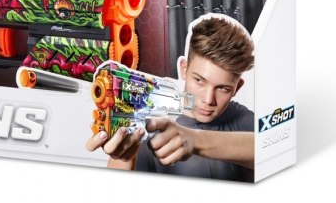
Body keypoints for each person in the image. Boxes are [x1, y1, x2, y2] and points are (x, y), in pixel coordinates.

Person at [86, 15, 255, 182]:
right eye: (199, 80)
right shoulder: (150, 122)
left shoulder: (241, 119)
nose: (208, 99)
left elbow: (265, 145)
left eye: (223, 88)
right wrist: (124, 155)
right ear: (183, 69)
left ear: (237, 87)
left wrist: (194, 140)